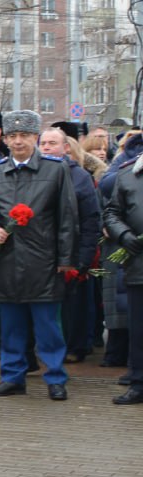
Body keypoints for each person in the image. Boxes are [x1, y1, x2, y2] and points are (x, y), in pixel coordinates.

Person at [0, 110, 78, 401]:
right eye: (12, 136)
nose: (18, 141)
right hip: (7, 261)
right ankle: (12, 377)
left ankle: (55, 377)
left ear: (35, 137)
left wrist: (65, 260)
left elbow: (67, 218)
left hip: (43, 261)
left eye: (24, 135)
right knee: (11, 326)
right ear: (5, 139)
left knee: (48, 327)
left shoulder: (55, 170)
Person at [39, 127, 101, 366]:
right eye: (43, 143)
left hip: (71, 253)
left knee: (72, 307)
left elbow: (90, 220)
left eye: (52, 143)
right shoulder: (36, 173)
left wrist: (84, 258)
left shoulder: (79, 176)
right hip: (41, 253)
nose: (46, 147)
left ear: (66, 148)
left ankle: (74, 346)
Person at [101, 143, 143, 404]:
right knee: (139, 330)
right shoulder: (129, 173)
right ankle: (139, 383)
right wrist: (124, 235)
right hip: (138, 265)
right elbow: (112, 212)